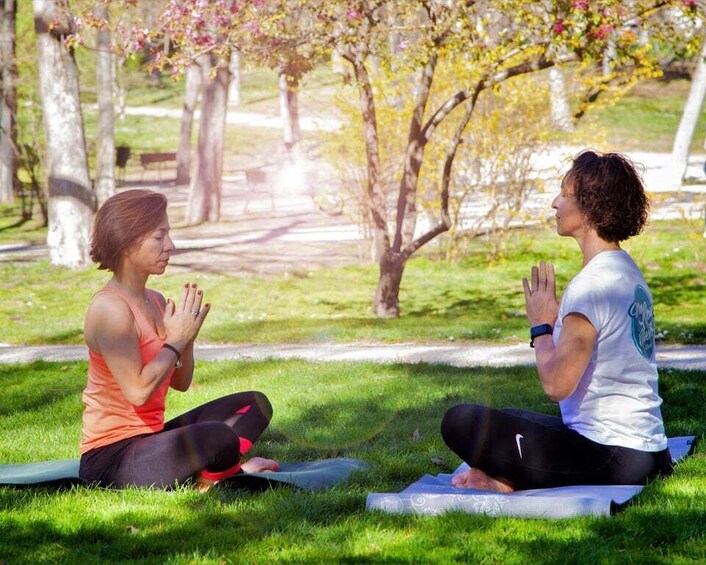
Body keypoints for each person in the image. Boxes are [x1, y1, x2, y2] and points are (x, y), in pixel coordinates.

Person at [441, 150, 673, 492]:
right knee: (506, 417)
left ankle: (507, 480)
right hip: (650, 453)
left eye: (564, 194)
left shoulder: (593, 285)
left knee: (460, 421)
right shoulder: (626, 270)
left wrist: (541, 327)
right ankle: (504, 478)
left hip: (613, 459)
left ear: (591, 207)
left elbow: (556, 385)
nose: (555, 203)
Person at [79, 189, 278, 490]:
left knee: (254, 404)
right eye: (159, 237)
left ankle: (213, 471)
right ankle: (226, 473)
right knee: (218, 436)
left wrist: (188, 339)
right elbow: (137, 391)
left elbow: (180, 383)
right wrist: (175, 339)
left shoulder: (156, 300)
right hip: (112, 459)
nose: (170, 246)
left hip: (151, 441)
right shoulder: (110, 309)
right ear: (127, 241)